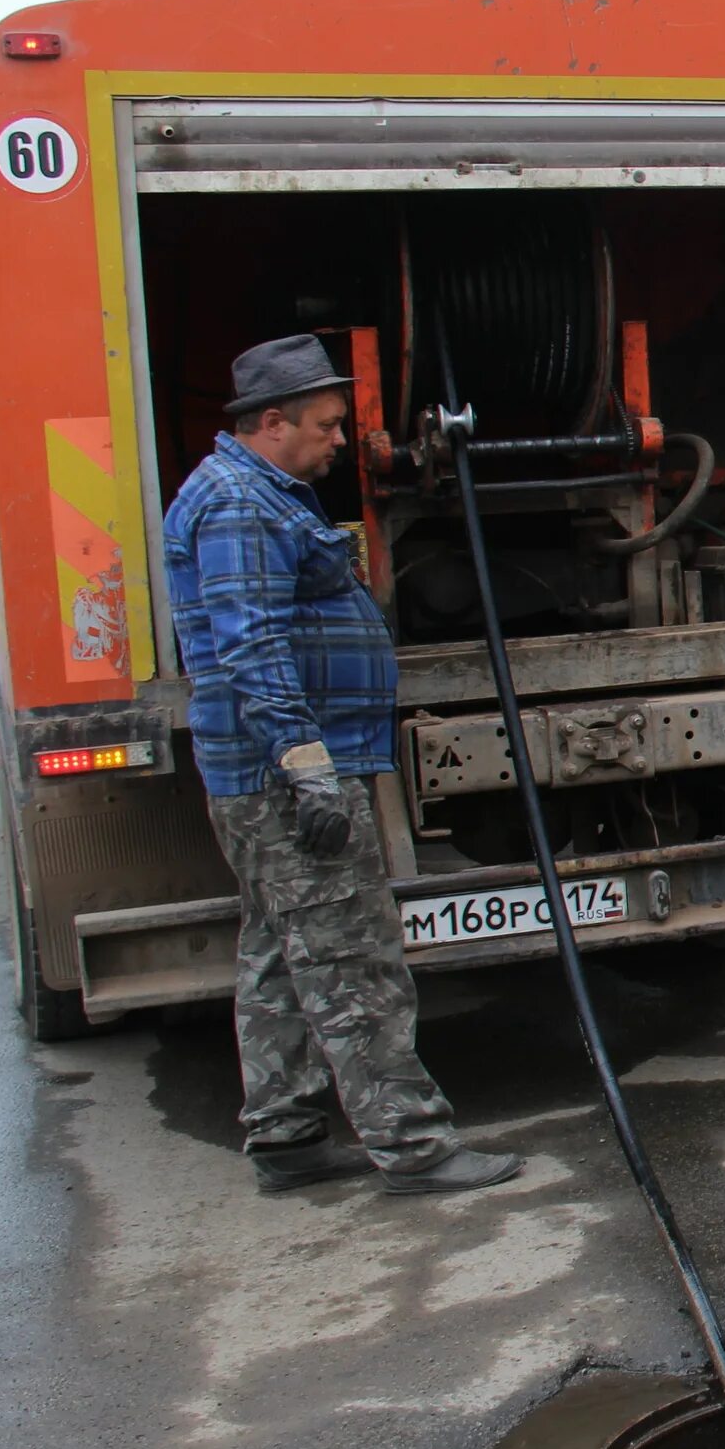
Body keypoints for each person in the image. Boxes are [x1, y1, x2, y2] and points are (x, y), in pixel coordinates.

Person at [163, 335, 521, 1197]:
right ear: (272, 422)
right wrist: (307, 763)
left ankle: (284, 1134)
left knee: (280, 955)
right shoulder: (242, 504)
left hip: (274, 772)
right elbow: (251, 642)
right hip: (287, 778)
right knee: (352, 958)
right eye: (325, 427)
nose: (338, 443)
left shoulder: (256, 493)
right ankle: (414, 1146)